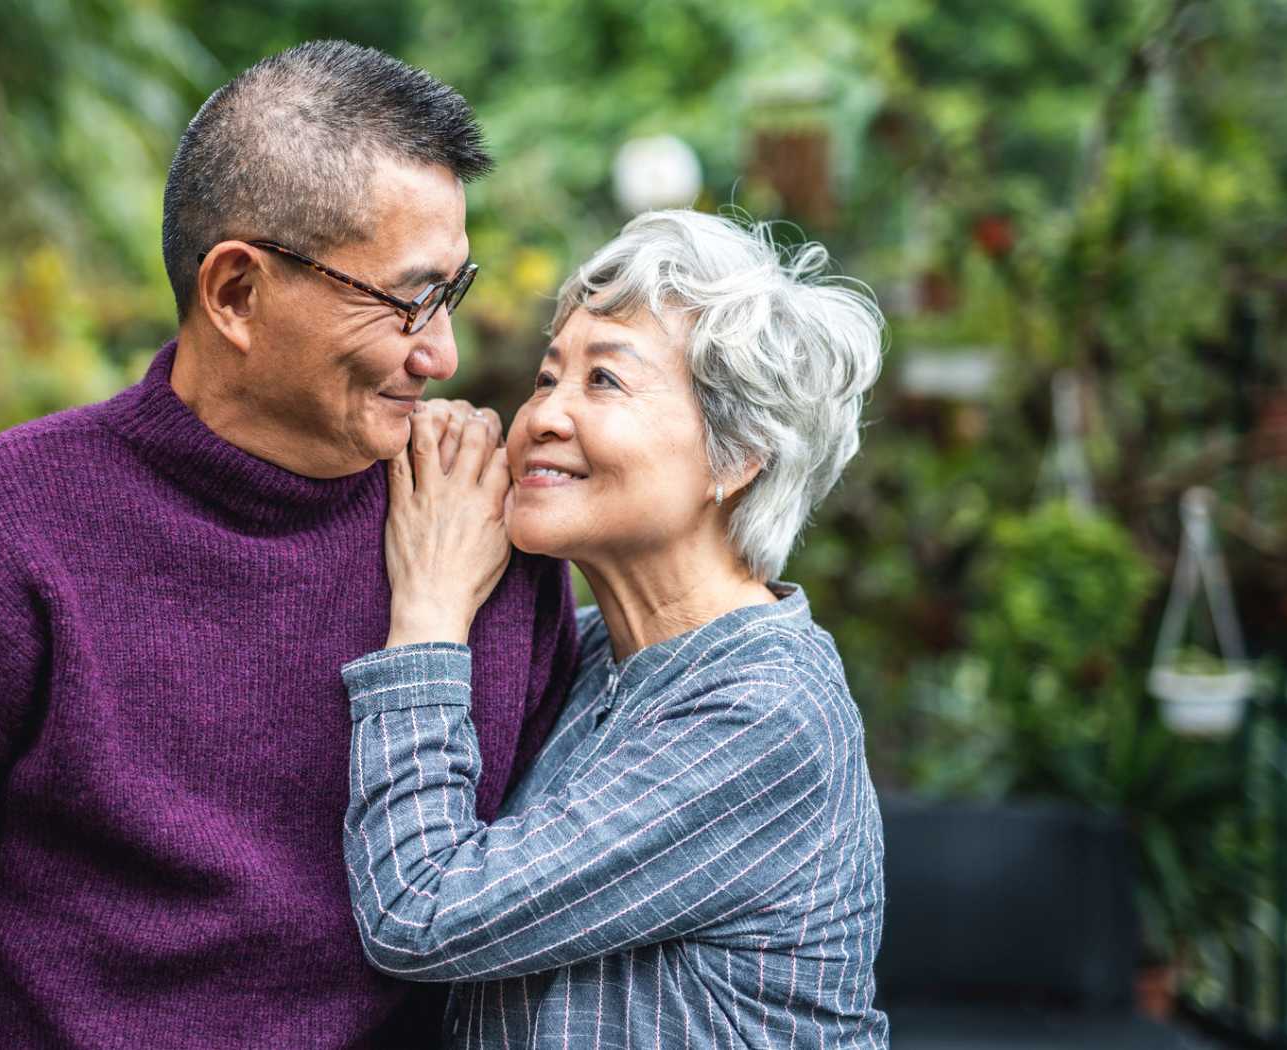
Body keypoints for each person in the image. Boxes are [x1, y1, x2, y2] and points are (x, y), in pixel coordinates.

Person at [0, 41, 578, 1047]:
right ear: (236, 295)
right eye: (407, 301)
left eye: (452, 293)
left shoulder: (477, 533)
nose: (443, 354)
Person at [341, 209, 891, 1047]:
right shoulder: (598, 655)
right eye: (546, 376)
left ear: (737, 455)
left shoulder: (768, 715)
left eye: (603, 382)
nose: (544, 418)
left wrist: (427, 614)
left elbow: (421, 909)